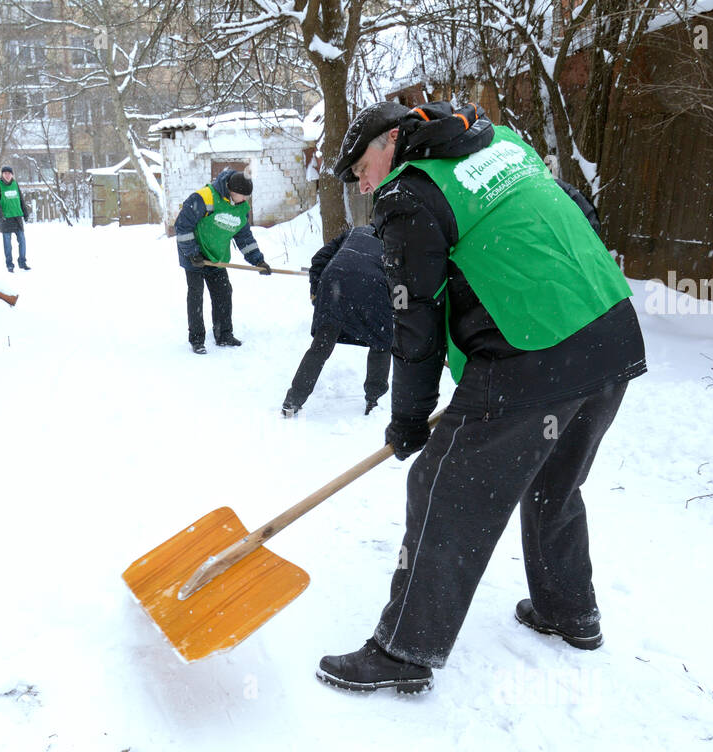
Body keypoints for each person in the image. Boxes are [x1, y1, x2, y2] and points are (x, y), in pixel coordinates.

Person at [316, 101, 647, 693]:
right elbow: (580, 212)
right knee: (553, 479)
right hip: (608, 329)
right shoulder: (503, 144)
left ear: (392, 142)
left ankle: (404, 650)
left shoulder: (409, 195)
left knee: (441, 486)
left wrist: (410, 421)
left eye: (361, 167)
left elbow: (414, 324)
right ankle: (569, 611)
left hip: (534, 349)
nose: (362, 184)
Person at [282, 225, 392, 417]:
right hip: (373, 289)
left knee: (321, 346)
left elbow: (318, 260)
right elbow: (403, 284)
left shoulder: (355, 231)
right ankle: (375, 401)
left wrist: (316, 290)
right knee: (382, 342)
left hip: (335, 282)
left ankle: (293, 401)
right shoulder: (398, 243)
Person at [174, 169, 271, 354]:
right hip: (193, 254)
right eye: (241, 195)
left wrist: (258, 261)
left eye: (246, 196)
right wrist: (193, 253)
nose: (244, 199)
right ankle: (196, 339)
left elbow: (244, 237)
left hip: (216, 257)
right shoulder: (205, 197)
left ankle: (224, 334)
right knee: (196, 294)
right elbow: (182, 226)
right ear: (230, 189)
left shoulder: (241, 208)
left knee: (223, 292)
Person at [0, 166, 30, 273]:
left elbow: (21, 199)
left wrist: (25, 213)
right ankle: (10, 265)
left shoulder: (15, 184)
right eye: (5, 173)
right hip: (5, 218)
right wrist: (0, 214)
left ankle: (22, 262)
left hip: (17, 216)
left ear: (12, 174)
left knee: (22, 241)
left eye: (9, 173)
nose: (7, 175)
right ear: (2, 174)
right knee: (7, 244)